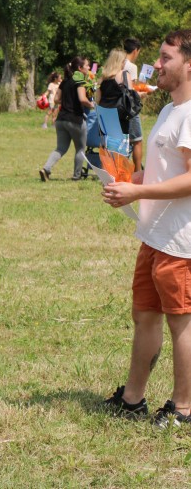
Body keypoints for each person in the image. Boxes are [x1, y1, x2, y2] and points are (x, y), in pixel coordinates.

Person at [102, 29, 191, 428]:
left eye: (166, 57)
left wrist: (137, 193)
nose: (157, 64)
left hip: (181, 242)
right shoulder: (171, 109)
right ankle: (132, 399)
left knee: (181, 323)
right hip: (154, 236)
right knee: (145, 316)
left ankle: (184, 409)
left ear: (189, 65)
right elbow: (164, 170)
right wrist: (130, 180)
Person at [39, 56, 96, 182]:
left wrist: (67, 101)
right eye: (87, 65)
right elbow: (82, 99)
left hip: (61, 120)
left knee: (60, 148)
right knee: (80, 149)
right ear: (80, 68)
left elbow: (56, 99)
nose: (89, 67)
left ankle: (46, 169)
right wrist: (92, 104)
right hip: (75, 119)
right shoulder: (80, 81)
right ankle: (76, 176)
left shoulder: (65, 81)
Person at [95, 48, 135, 137]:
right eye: (124, 61)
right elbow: (130, 97)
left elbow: (98, 99)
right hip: (119, 115)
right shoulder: (124, 74)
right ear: (120, 61)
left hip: (104, 114)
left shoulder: (102, 76)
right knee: (120, 143)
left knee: (105, 143)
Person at [123, 38, 146, 171]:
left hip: (117, 108)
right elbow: (132, 91)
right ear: (136, 50)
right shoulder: (132, 67)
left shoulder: (117, 63)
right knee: (137, 140)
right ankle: (137, 171)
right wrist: (144, 91)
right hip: (130, 108)